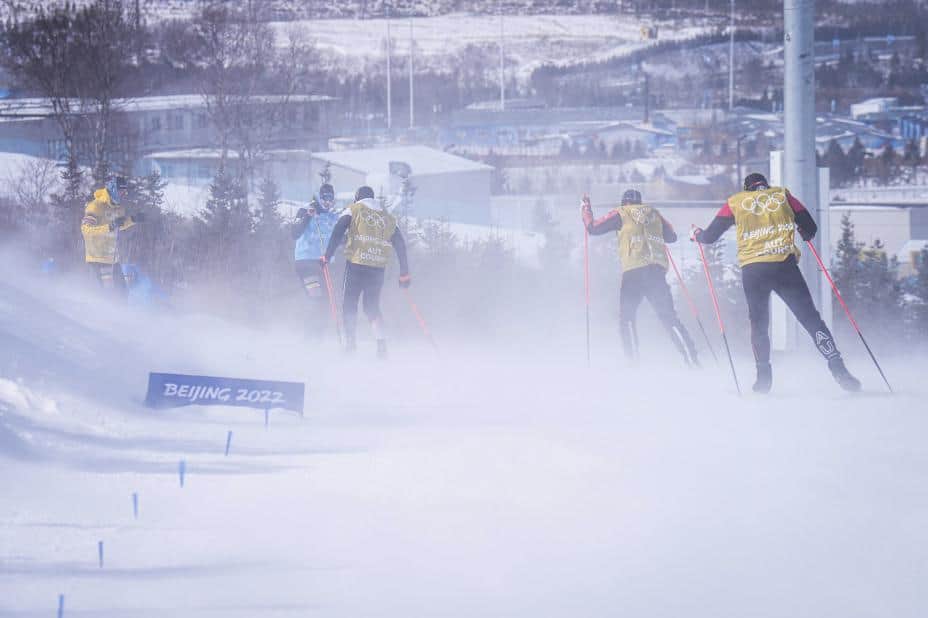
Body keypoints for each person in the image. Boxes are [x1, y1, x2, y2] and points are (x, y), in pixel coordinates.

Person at [692, 172, 860, 393]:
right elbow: (810, 226)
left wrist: (697, 235)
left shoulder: (735, 202)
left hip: (753, 270)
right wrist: (804, 232)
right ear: (765, 185)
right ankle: (838, 367)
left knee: (759, 324)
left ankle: (763, 378)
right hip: (784, 267)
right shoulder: (782, 196)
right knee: (811, 319)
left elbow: (710, 237)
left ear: (747, 188)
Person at [582, 188, 699, 365]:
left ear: (624, 202)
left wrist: (586, 208)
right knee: (669, 318)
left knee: (627, 319)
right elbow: (672, 236)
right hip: (656, 272)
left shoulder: (621, 213)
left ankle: (634, 363)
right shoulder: (654, 214)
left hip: (634, 272)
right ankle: (692, 360)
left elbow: (593, 228)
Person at [322, 185, 410, 358]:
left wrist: (327, 255)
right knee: (371, 307)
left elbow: (338, 230)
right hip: (377, 268)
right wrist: (404, 272)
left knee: (349, 304)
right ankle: (381, 345)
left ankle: (350, 344)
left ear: (357, 198)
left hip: (356, 264)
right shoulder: (387, 216)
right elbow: (400, 243)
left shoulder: (354, 209)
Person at [291, 183, 340, 340]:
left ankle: (317, 339)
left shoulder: (332, 217)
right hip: (306, 263)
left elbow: (339, 239)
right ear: (319, 197)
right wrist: (307, 216)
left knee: (327, 302)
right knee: (317, 298)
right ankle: (309, 338)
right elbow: (294, 233)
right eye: (325, 198)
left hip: (322, 265)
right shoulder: (306, 210)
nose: (327, 202)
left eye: (330, 199)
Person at [81, 177, 144, 293]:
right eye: (121, 191)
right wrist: (110, 226)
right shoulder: (95, 206)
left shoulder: (119, 208)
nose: (124, 194)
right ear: (113, 189)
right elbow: (86, 230)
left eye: (125, 192)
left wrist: (133, 219)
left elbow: (119, 226)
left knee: (123, 293)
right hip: (97, 259)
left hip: (113, 259)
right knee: (107, 295)